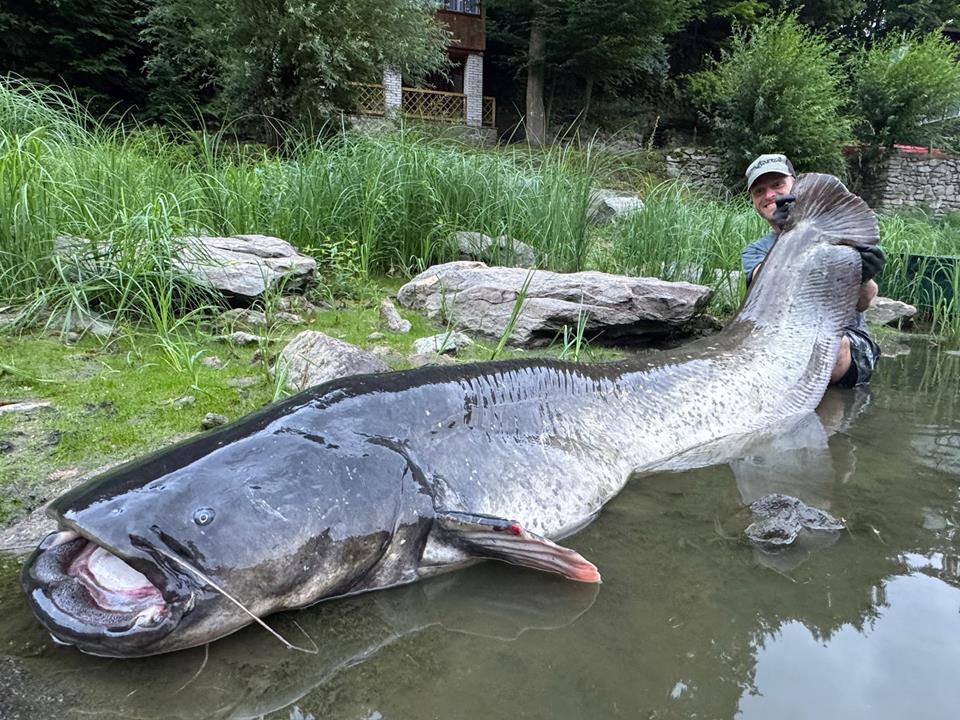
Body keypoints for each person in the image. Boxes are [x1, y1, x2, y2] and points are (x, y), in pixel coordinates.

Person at [741, 154, 884, 387]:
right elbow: (764, 286)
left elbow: (864, 301)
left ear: (794, 185)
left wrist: (864, 275)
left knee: (829, 347)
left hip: (844, 342)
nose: (769, 195)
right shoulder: (754, 251)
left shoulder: (836, 234)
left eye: (777, 185)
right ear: (753, 201)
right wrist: (787, 236)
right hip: (780, 341)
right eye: (759, 191)